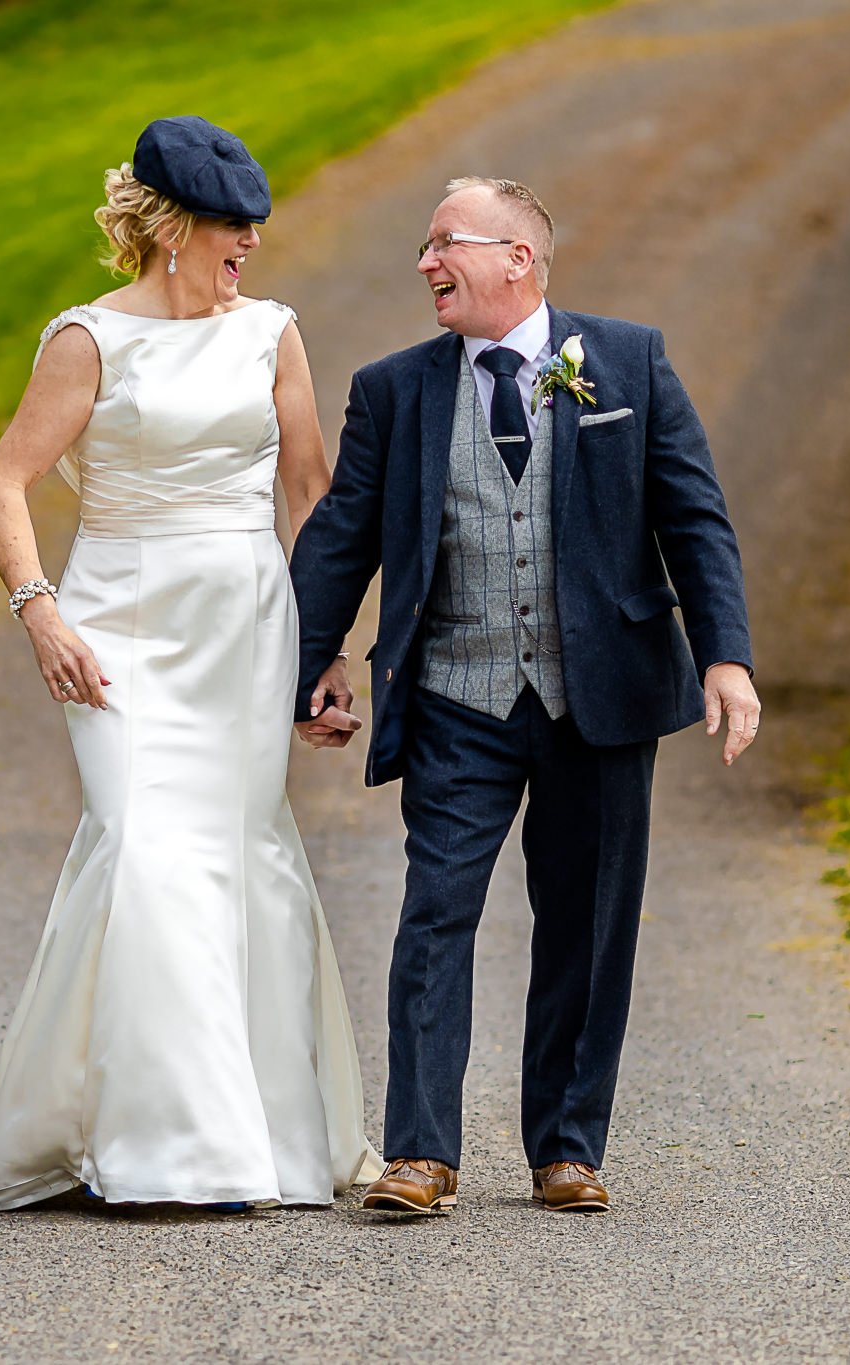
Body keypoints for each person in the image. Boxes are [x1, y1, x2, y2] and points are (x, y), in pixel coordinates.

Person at [0, 117, 382, 1211]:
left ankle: (248, 1133)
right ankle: (173, 1150)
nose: (248, 246)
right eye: (230, 229)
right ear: (171, 229)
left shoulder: (271, 333)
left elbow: (310, 496)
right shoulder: (87, 341)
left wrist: (328, 649)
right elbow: (2, 486)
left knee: (237, 851)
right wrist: (41, 613)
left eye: (254, 229)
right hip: (117, 624)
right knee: (141, 843)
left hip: (244, 625)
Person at [290, 176, 759, 1216]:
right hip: (457, 695)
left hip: (600, 697)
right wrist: (304, 667)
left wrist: (724, 655)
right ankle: (419, 1152)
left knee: (586, 926)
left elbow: (694, 518)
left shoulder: (626, 361)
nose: (423, 265)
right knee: (433, 914)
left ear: (518, 260)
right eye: (422, 248)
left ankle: (565, 1147)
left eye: (442, 244)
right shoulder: (394, 389)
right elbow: (341, 537)